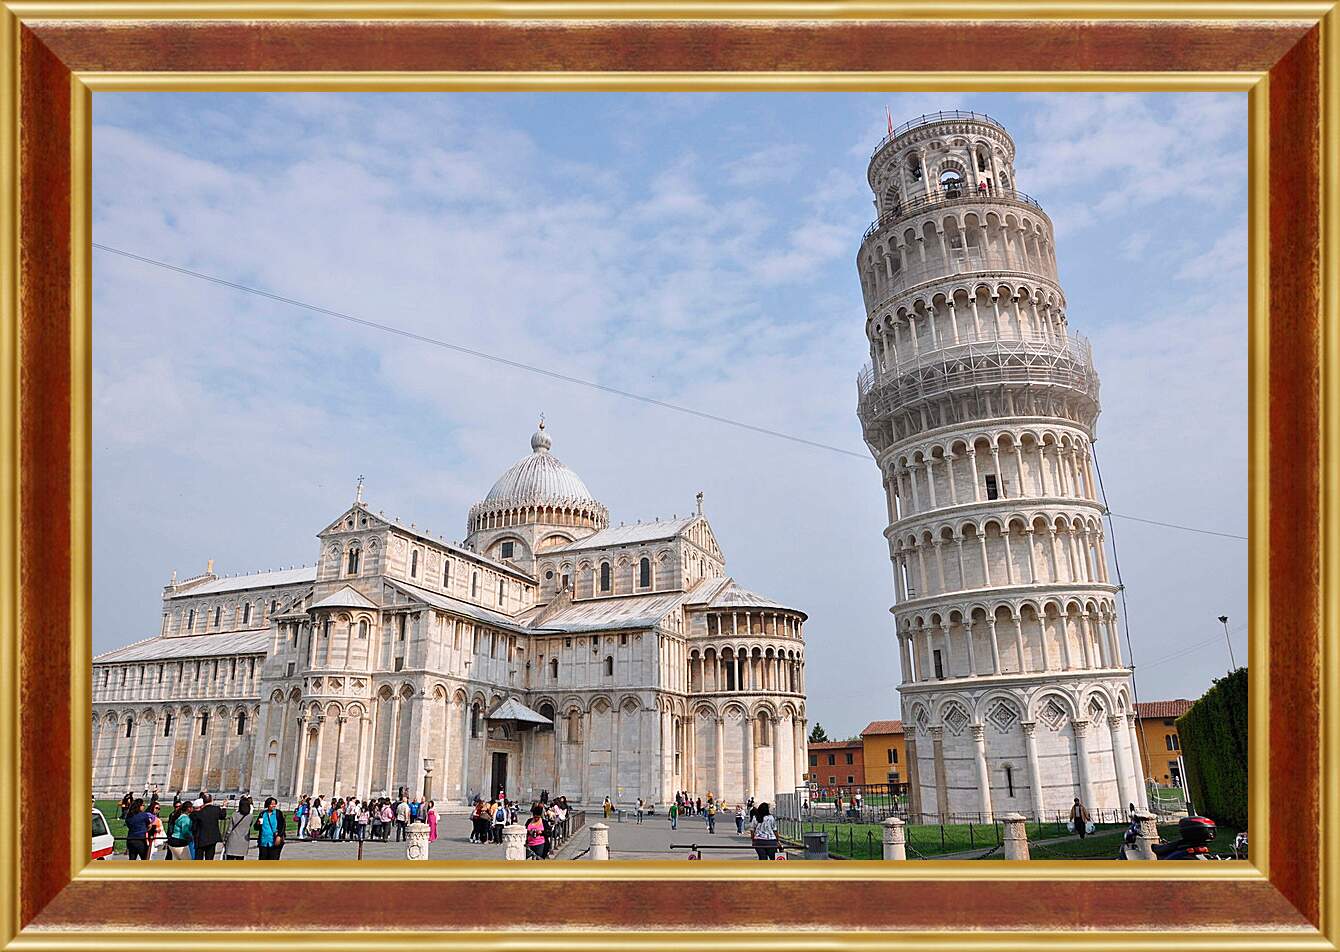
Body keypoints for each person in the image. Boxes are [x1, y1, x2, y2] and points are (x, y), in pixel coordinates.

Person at [192, 793, 224, 861]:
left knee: (198, 858)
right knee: (209, 858)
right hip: (212, 838)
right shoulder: (216, 809)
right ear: (211, 800)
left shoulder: (198, 812)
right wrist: (224, 807)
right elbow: (222, 816)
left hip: (200, 839)